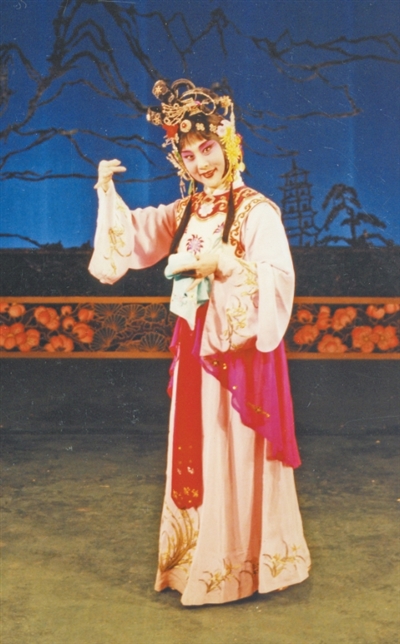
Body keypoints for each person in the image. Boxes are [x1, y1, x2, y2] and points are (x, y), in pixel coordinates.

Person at [89, 79, 310, 606]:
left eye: (207, 148)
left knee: (235, 445)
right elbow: (135, 235)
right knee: (202, 442)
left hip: (240, 344)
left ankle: (246, 565)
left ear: (229, 144)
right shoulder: (187, 210)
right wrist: (107, 193)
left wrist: (226, 264)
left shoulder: (257, 210)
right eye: (189, 156)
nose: (201, 163)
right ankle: (197, 560)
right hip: (196, 343)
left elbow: (278, 277)